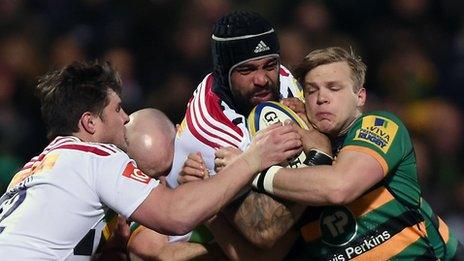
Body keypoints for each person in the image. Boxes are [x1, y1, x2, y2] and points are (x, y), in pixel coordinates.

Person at [0, 61, 302, 260]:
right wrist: (252, 159)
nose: (126, 117)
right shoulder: (95, 155)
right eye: (117, 110)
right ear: (90, 123)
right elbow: (175, 214)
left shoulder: (31, 170)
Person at [217, 46, 463, 260]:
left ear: (360, 96)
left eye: (333, 88)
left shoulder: (379, 125)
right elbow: (266, 252)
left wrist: (249, 170)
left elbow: (339, 187)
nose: (322, 98)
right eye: (312, 91)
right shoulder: (299, 167)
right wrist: (211, 208)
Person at [165, 11, 309, 256]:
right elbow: (264, 229)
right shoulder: (209, 131)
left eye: (269, 65)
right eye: (246, 70)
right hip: (203, 245)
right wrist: (319, 151)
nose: (262, 79)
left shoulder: (283, 78)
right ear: (223, 72)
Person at [124, 108, 225, 260]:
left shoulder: (225, 157)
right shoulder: (144, 212)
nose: (163, 183)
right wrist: (205, 203)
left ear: (182, 137)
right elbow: (157, 254)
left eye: (170, 168)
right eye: (152, 177)